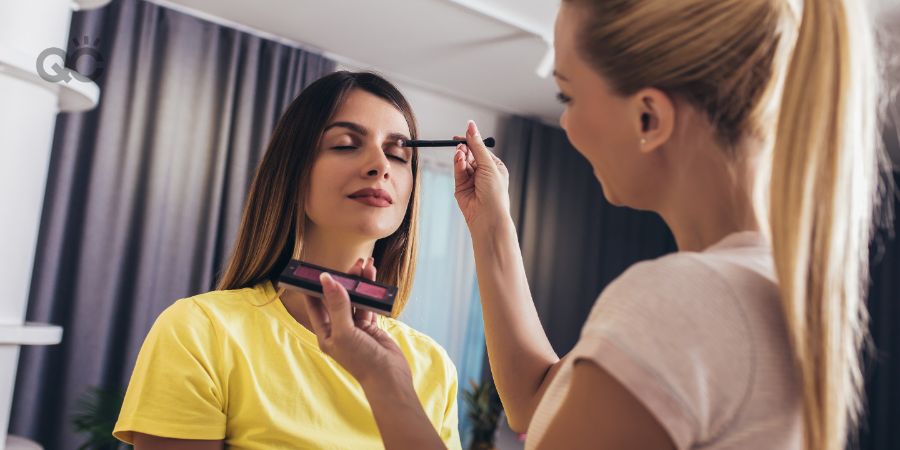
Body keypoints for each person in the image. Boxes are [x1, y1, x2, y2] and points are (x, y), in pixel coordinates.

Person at [304, 1, 889, 449]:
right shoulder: (759, 284)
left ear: (648, 117)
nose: (570, 125)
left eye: (567, 95)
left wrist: (386, 384)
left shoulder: (686, 300)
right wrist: (491, 224)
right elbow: (539, 403)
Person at [113, 71, 462, 450]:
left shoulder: (434, 366)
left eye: (398, 154)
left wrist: (388, 386)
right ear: (293, 170)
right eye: (345, 144)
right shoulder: (201, 331)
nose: (380, 166)